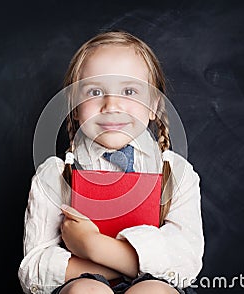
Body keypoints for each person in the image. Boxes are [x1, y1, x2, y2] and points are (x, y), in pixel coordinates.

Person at [18, 30, 204, 294]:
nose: (111, 105)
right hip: (80, 286)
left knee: (152, 291)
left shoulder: (178, 174)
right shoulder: (54, 175)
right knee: (85, 291)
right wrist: (119, 263)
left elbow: (184, 263)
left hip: (156, 287)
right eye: (95, 91)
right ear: (75, 106)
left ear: (155, 106)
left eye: (129, 91)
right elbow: (33, 271)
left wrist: (93, 246)